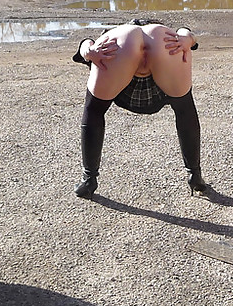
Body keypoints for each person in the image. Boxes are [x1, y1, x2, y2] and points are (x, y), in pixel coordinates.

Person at [71, 18, 210, 199]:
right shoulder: (163, 33)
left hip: (119, 46)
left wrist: (88, 51)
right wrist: (189, 39)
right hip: (165, 44)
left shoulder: (115, 33)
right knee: (184, 109)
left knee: (95, 110)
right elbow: (185, 32)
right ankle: (195, 175)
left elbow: (86, 44)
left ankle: (88, 180)